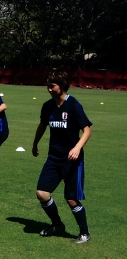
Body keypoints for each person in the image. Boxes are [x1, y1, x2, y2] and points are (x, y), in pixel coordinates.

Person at [32, 70, 92, 244]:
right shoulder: (47, 106)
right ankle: (57, 225)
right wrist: (35, 143)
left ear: (62, 86)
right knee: (42, 193)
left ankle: (84, 232)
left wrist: (77, 147)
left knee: (71, 199)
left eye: (52, 86)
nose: (49, 89)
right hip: (54, 158)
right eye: (48, 86)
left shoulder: (73, 105)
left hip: (72, 160)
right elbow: (43, 125)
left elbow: (87, 129)